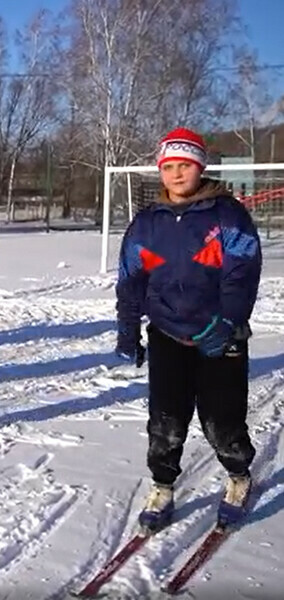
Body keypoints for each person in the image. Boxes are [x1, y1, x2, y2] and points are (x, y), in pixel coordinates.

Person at [115, 127, 261, 530]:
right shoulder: (146, 223)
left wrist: (229, 321)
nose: (177, 174)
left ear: (200, 167)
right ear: (161, 170)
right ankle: (163, 485)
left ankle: (238, 476)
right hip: (166, 334)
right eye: (170, 166)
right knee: (166, 420)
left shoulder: (227, 215)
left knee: (221, 420)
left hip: (220, 335)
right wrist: (128, 329)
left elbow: (242, 272)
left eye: (186, 166)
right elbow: (130, 279)